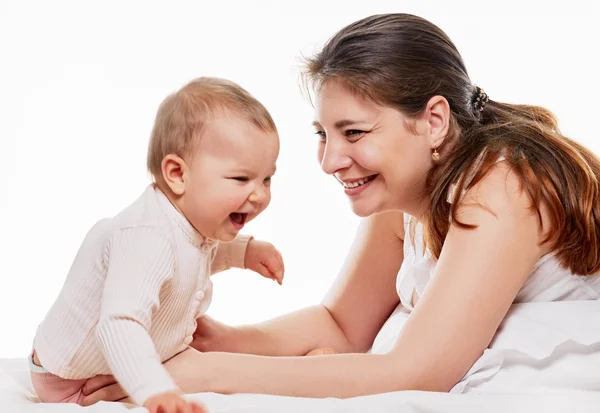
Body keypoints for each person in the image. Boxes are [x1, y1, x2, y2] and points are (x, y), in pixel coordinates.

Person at [80, 13, 600, 405]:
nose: (330, 161)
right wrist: (223, 343)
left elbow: (416, 374)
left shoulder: (501, 186)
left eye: (354, 133)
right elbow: (343, 326)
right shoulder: (404, 193)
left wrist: (201, 375)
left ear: (434, 121)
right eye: (323, 135)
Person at [30, 77, 284, 413]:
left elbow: (193, 254)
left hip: (146, 348)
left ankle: (298, 360)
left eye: (267, 178)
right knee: (206, 368)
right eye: (242, 179)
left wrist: (244, 251)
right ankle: (304, 370)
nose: (261, 194)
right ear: (178, 174)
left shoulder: (183, 223)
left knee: (211, 357)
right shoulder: (146, 237)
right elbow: (119, 324)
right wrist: (154, 392)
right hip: (74, 382)